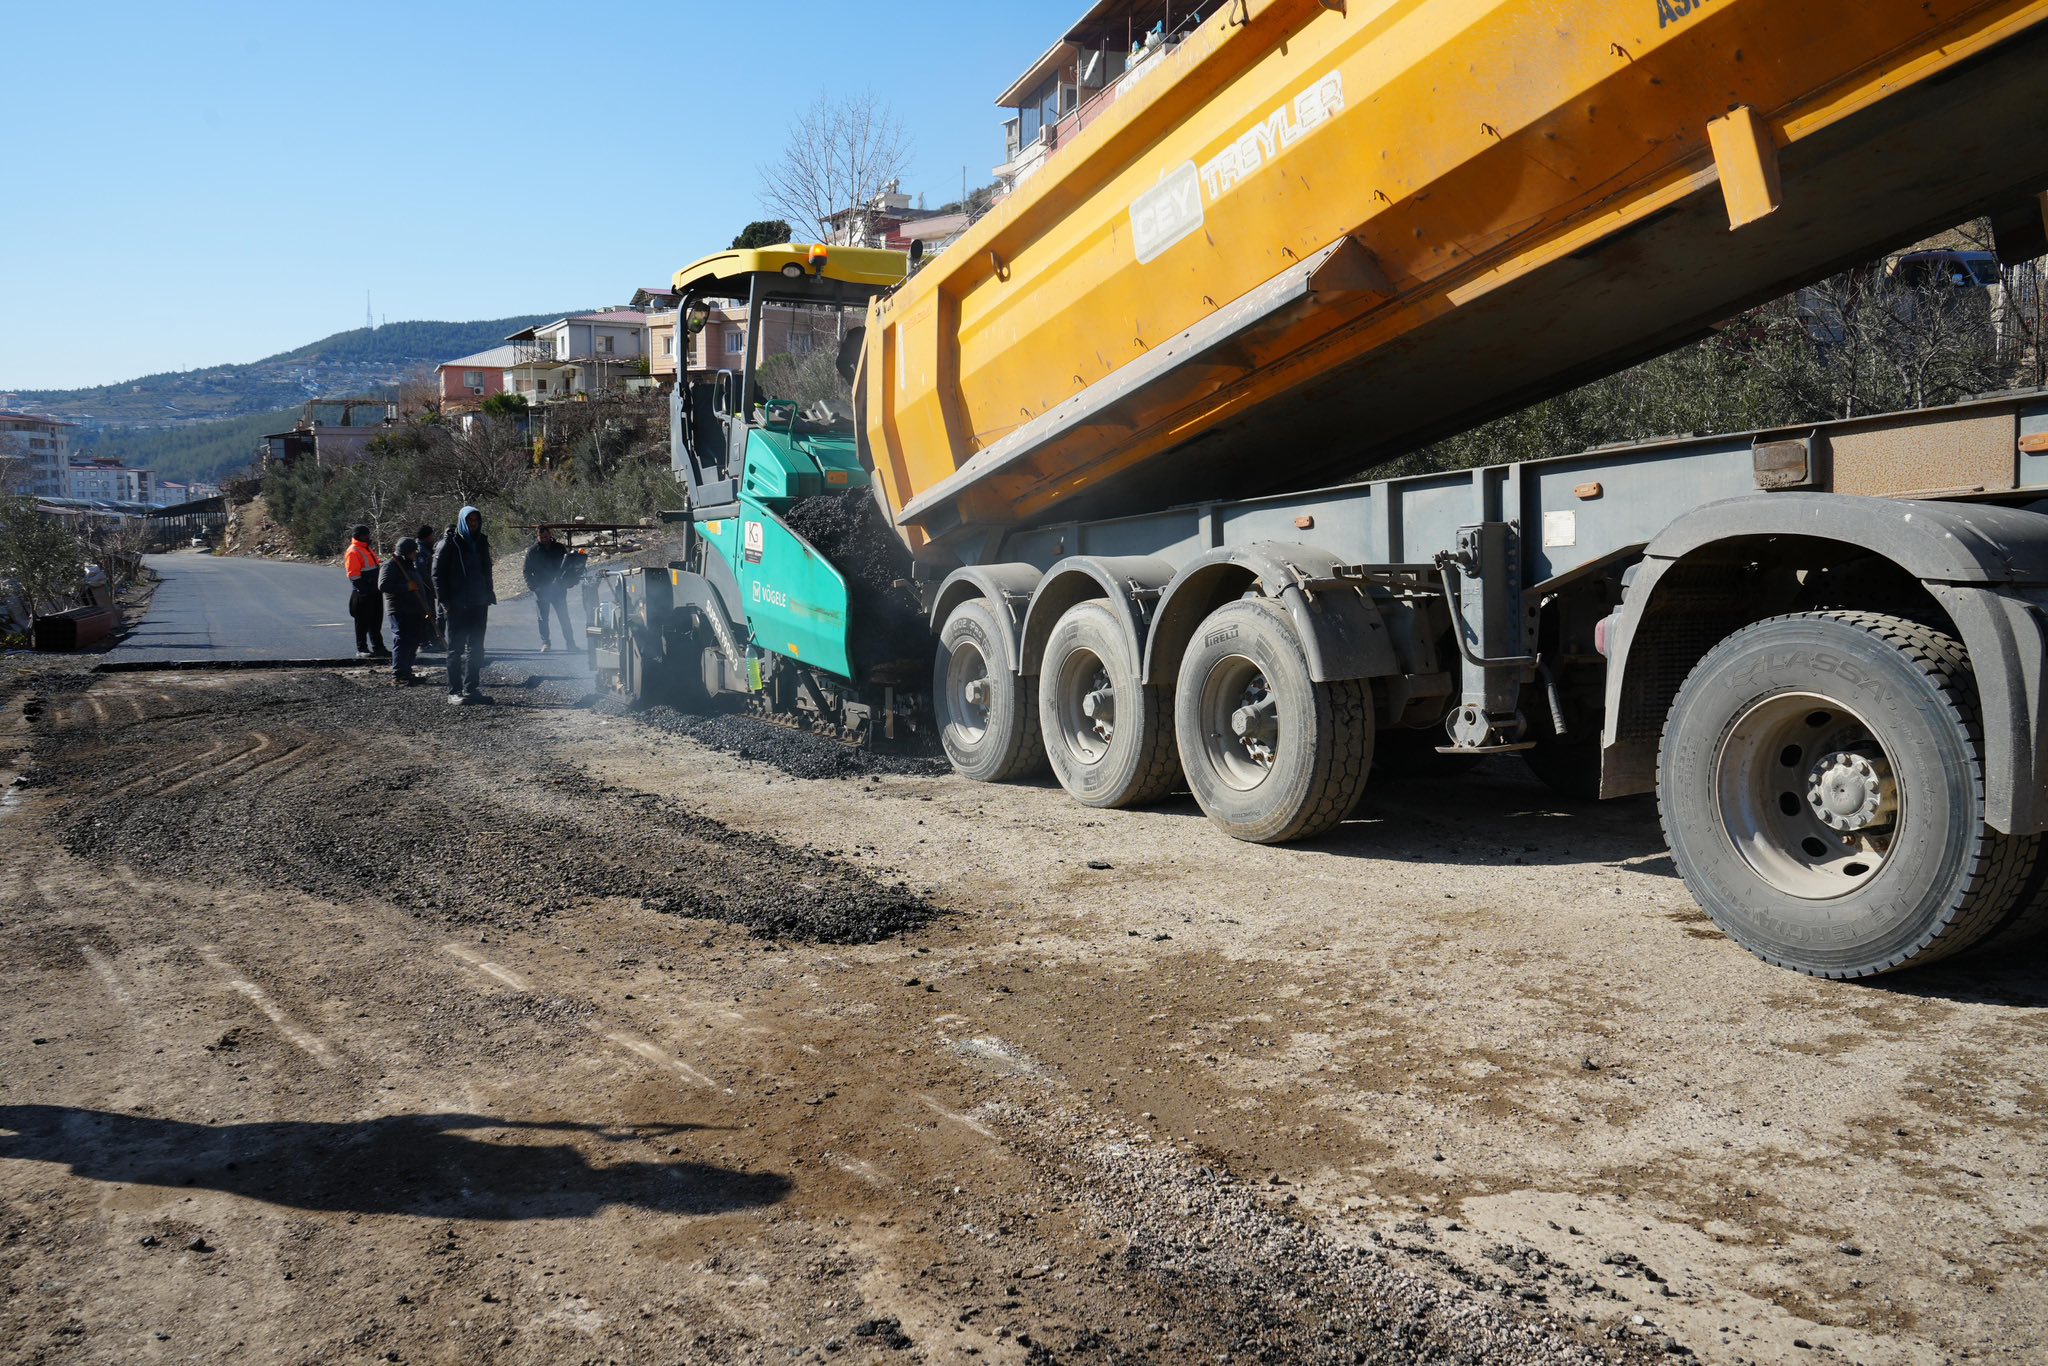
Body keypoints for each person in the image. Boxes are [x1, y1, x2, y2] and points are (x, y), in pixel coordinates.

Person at [433, 505, 495, 705]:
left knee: (476, 648)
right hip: (457, 605)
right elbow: (437, 574)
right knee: (456, 649)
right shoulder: (449, 544)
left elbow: (487, 570)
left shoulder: (481, 542)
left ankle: (471, 689)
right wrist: (444, 601)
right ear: (462, 521)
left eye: (476, 520)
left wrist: (488, 593)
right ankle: (454, 691)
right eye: (470, 520)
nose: (473, 524)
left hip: (479, 603)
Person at [378, 536, 432, 686]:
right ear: (405, 553)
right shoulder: (390, 565)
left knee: (413, 641)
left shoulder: (409, 565)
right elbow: (383, 585)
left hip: (415, 610)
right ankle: (399, 675)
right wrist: (405, 587)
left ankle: (407, 672)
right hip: (399, 610)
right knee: (402, 641)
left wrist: (426, 608)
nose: (415, 555)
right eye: (413, 552)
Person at [523, 526, 576, 653]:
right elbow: (526, 571)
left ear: (550, 535)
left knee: (564, 617)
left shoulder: (559, 548)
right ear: (537, 537)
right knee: (543, 618)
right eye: (541, 537)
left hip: (559, 590)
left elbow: (569, 567)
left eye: (546, 536)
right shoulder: (533, 551)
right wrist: (535, 588)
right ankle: (546, 643)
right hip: (542, 591)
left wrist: (568, 582)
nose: (544, 539)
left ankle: (571, 644)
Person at [343, 525, 388, 659]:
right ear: (358, 535)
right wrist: (364, 591)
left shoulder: (366, 548)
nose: (367, 536)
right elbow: (353, 575)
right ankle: (361, 649)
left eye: (367, 534)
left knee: (376, 621)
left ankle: (378, 648)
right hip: (362, 592)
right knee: (362, 622)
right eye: (364, 535)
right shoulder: (353, 551)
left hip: (375, 590)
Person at [414, 524, 445, 652]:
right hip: (424, 589)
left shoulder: (426, 548)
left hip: (428, 589)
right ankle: (423, 643)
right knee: (426, 615)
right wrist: (432, 588)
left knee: (430, 614)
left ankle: (432, 641)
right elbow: (423, 574)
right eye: (431, 535)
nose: (433, 537)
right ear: (426, 537)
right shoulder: (420, 551)